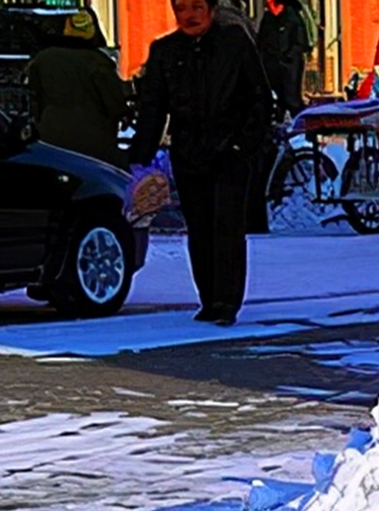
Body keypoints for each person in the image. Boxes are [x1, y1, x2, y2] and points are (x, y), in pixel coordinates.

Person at [131, 0, 272, 326]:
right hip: (189, 153)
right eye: (182, 8)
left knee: (227, 228)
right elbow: (152, 110)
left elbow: (260, 98)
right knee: (199, 229)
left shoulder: (234, 43)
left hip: (229, 152)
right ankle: (208, 298)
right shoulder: (165, 51)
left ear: (210, 9)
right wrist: (140, 159)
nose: (190, 15)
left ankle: (226, 302)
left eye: (197, 6)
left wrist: (243, 145)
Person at [26, 10, 126, 167]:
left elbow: (34, 102)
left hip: (51, 143)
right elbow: (116, 105)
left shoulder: (43, 59)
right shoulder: (98, 62)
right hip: (95, 147)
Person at [257, 0, 312, 117]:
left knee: (292, 100)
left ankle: (299, 125)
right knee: (274, 101)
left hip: (290, 66)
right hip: (271, 66)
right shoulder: (267, 18)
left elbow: (301, 42)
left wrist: (290, 56)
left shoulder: (293, 16)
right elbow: (261, 43)